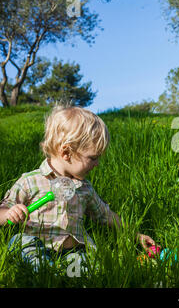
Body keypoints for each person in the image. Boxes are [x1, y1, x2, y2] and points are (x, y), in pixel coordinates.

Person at [0, 106, 156, 272]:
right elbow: (3, 210)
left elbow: (106, 215)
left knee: (95, 267)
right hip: (38, 246)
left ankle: (61, 274)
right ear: (67, 152)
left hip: (73, 252)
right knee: (20, 241)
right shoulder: (30, 181)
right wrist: (9, 213)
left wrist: (135, 234)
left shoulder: (84, 188)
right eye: (93, 158)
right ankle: (45, 271)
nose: (97, 164)